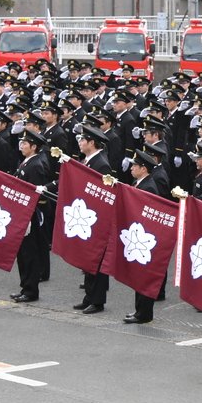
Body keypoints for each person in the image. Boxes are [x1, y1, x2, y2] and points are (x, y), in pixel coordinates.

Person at [72, 125, 111, 315]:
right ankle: (89, 297)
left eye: (82, 140)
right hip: (85, 215)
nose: (79, 143)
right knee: (87, 259)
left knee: (97, 260)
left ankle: (97, 301)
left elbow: (101, 195)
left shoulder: (101, 164)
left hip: (95, 218)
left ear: (92, 142)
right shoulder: (87, 160)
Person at [124, 148, 164, 324]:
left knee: (144, 276)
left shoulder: (149, 187)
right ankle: (139, 310)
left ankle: (144, 313)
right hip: (137, 234)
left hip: (145, 237)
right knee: (138, 276)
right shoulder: (138, 183)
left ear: (143, 168)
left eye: (135, 166)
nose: (131, 168)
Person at [11, 130, 51, 303]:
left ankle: (30, 290)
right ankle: (25, 286)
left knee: (30, 254)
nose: (21, 146)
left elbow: (36, 195)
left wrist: (29, 215)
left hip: (30, 216)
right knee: (22, 254)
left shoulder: (35, 165)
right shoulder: (27, 162)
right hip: (22, 213)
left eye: (25, 143)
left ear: (34, 147)